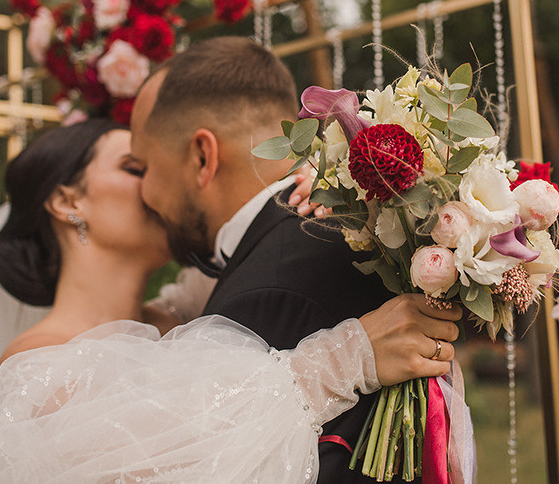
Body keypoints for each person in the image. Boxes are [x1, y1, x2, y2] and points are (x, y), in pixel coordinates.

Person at [0, 119, 459, 483]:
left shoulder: (189, 311)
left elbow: (242, 232)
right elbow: (179, 453)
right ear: (68, 201)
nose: (158, 184)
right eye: (135, 167)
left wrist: (305, 193)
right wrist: (345, 360)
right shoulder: (33, 362)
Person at [130, 36, 456, 483]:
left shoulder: (266, 297)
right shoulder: (350, 230)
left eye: (143, 166)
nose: (142, 192)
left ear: (203, 156)